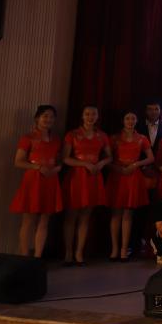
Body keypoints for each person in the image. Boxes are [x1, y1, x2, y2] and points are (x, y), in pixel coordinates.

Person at [10, 105, 63, 258]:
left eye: (51, 117)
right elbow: (18, 161)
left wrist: (57, 168)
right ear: (37, 118)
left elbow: (59, 160)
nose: (48, 119)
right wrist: (38, 167)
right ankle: (24, 256)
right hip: (33, 180)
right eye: (45, 116)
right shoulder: (28, 137)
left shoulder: (56, 140)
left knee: (45, 220)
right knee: (28, 220)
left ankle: (37, 257)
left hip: (50, 180)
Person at [62, 105, 111, 265]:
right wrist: (84, 164)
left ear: (97, 116)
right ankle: (68, 253)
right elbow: (65, 158)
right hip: (77, 177)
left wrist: (101, 163)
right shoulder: (72, 134)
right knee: (71, 216)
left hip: (93, 177)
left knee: (86, 216)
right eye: (87, 114)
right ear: (82, 116)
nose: (90, 117)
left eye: (93, 114)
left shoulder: (102, 135)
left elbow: (109, 157)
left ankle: (79, 252)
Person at [108, 111, 154, 261]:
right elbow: (107, 159)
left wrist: (135, 165)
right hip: (117, 175)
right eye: (127, 118)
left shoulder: (141, 138)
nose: (130, 121)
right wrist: (118, 168)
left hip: (133, 177)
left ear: (137, 120)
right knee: (116, 214)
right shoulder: (114, 138)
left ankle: (124, 249)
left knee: (128, 214)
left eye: (133, 118)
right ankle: (114, 249)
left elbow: (150, 158)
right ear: (122, 120)